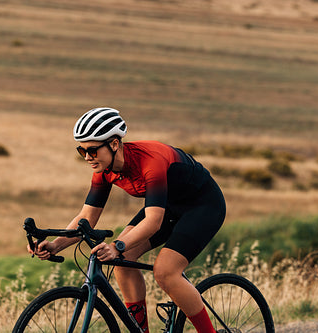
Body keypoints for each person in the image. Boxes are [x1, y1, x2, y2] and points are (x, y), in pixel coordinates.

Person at [29, 107, 226, 333]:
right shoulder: (103, 170)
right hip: (168, 206)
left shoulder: (151, 162)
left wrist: (116, 246)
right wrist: (55, 244)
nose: (87, 157)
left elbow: (153, 221)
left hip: (202, 206)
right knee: (122, 262)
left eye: (92, 150)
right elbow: (87, 217)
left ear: (114, 144)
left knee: (165, 271)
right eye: (81, 150)